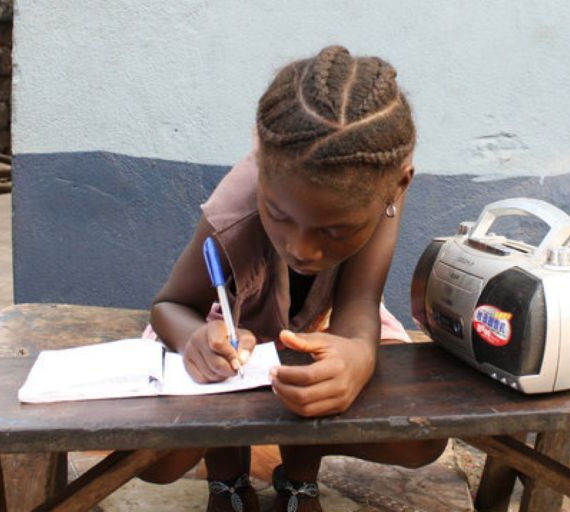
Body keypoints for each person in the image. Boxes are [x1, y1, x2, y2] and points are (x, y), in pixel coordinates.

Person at [141, 45, 447, 512]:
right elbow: (170, 306)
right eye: (279, 216)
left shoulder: (375, 183)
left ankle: (299, 478)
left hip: (320, 322)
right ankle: (225, 477)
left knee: (421, 440)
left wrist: (356, 356)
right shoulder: (234, 211)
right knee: (154, 460)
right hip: (230, 327)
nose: (302, 250)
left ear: (399, 184)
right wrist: (195, 340)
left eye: (335, 230)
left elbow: (359, 305)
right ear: (260, 158)